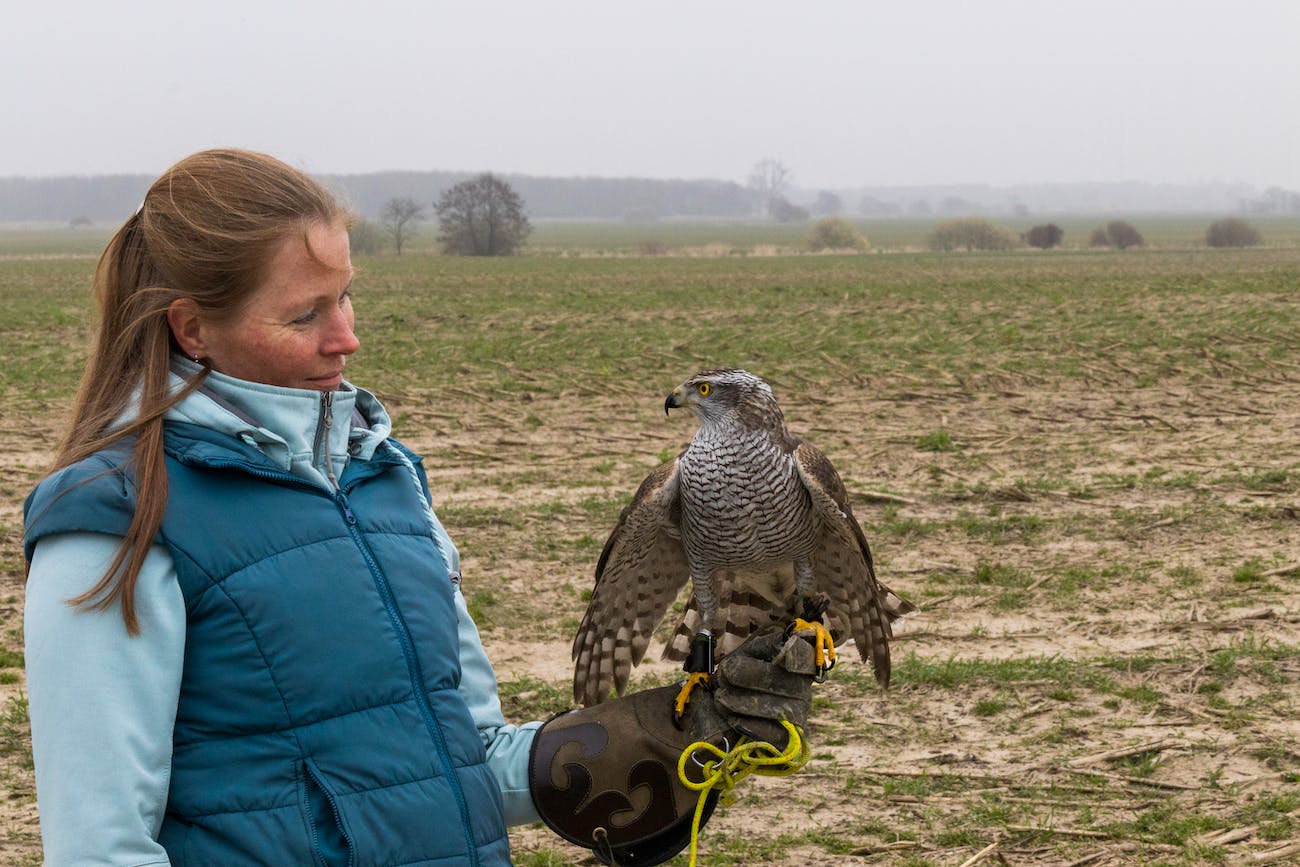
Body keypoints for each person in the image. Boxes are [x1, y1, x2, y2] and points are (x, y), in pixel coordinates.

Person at [22, 148, 818, 866]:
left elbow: (460, 755)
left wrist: (668, 741)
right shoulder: (115, 521)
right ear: (193, 328)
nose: (346, 337)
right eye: (305, 314)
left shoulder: (385, 482)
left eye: (345, 299)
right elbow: (100, 846)